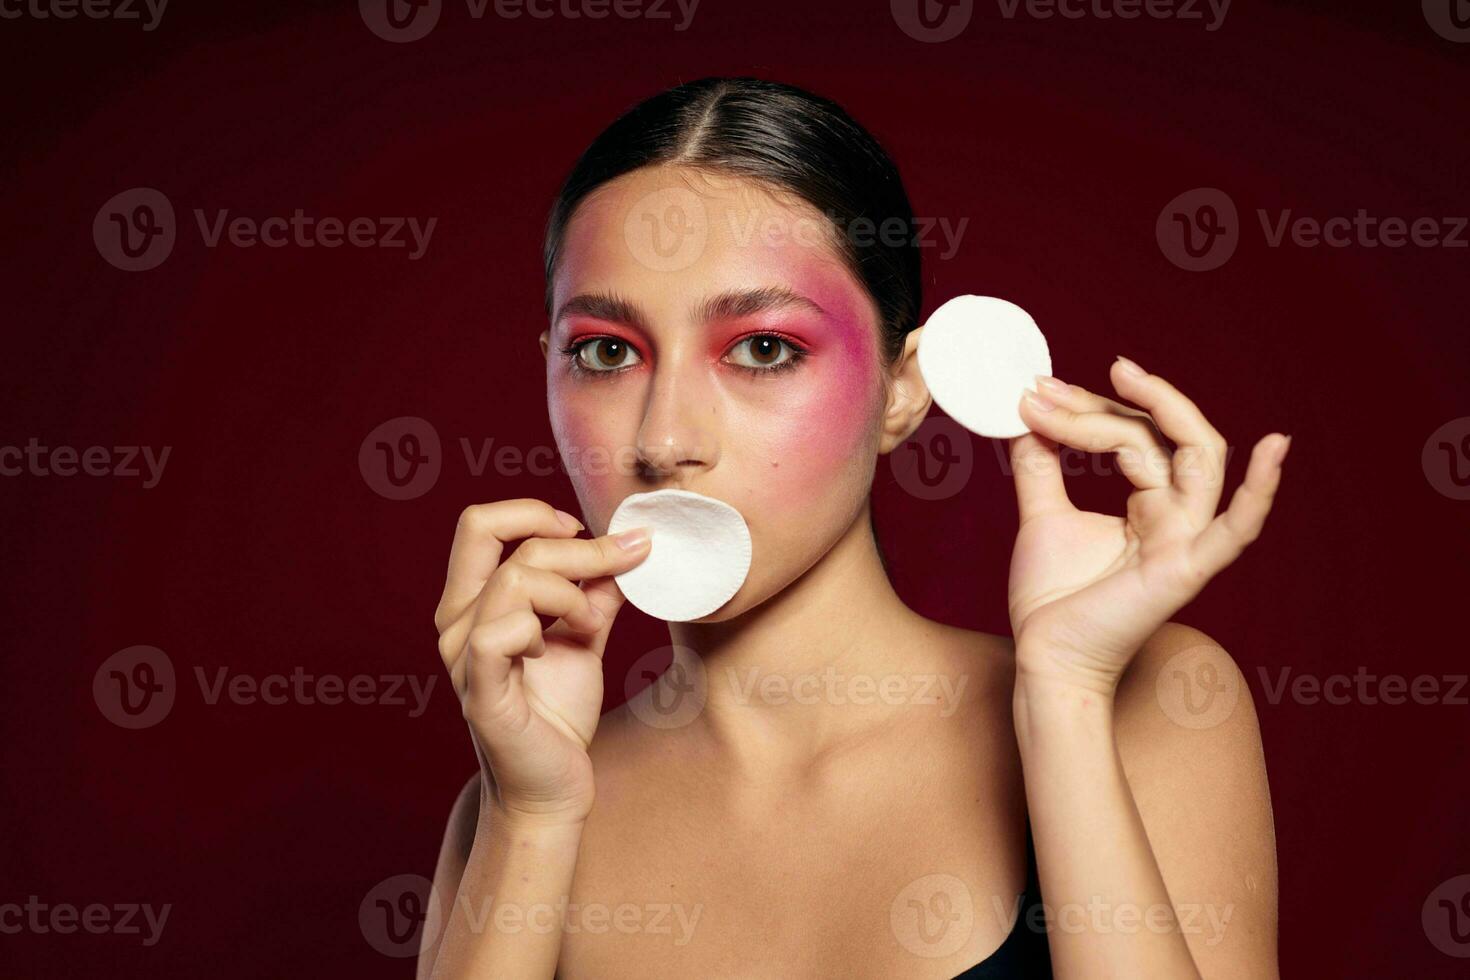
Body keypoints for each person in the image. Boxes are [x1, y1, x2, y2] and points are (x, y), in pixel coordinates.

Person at [418, 76, 1285, 979]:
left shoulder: (1153, 701)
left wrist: (1066, 696)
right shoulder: (510, 803)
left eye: (763, 348)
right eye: (606, 352)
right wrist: (533, 817)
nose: (664, 440)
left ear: (901, 389)